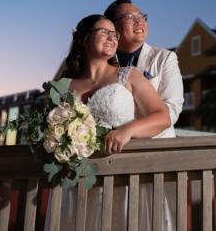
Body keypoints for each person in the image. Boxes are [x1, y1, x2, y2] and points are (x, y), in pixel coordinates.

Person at [49, 14, 173, 230]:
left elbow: (162, 116)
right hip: (77, 179)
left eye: (114, 34)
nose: (112, 37)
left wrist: (128, 130)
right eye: (104, 32)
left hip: (122, 176)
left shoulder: (128, 75)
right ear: (85, 39)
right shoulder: (63, 85)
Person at [104, 0, 184, 138]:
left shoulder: (165, 58)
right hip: (113, 148)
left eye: (141, 17)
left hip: (157, 144)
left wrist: (129, 131)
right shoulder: (103, 62)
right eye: (130, 18)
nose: (139, 22)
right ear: (113, 28)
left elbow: (171, 110)